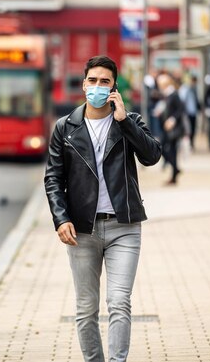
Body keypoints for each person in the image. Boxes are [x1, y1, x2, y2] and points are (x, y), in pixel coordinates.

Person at [44, 55, 161, 362]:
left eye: (104, 81)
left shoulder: (129, 122)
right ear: (84, 85)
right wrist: (60, 219)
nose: (97, 86)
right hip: (83, 230)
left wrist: (124, 121)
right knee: (86, 307)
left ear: (114, 88)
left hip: (124, 227)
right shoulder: (64, 128)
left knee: (119, 302)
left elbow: (152, 156)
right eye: (92, 80)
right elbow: (53, 177)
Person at [154, 73, 185, 185]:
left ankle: (174, 172)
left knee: (168, 149)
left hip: (174, 129)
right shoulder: (166, 95)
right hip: (167, 128)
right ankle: (175, 170)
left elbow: (180, 109)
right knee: (168, 149)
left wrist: (172, 120)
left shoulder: (174, 94)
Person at [178, 75, 200, 149]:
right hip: (187, 112)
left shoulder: (194, 89)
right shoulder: (185, 89)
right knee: (187, 129)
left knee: (193, 128)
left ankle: (191, 143)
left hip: (193, 112)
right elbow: (182, 100)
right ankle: (186, 144)